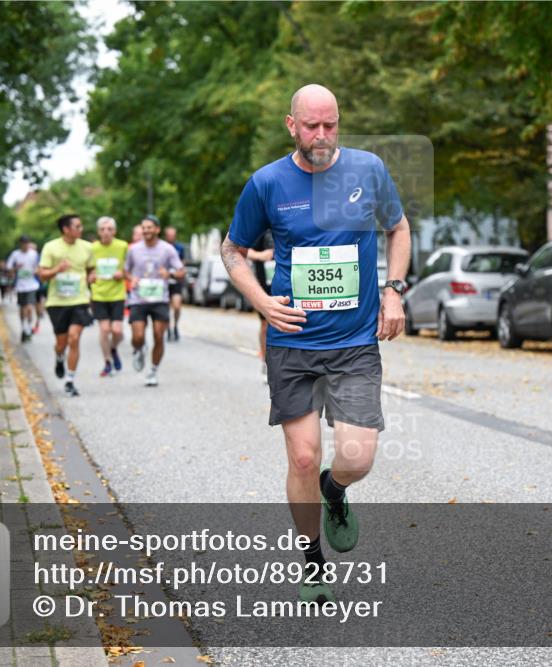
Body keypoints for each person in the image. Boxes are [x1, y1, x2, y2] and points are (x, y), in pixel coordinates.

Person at [220, 84, 411, 604]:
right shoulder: (266, 183)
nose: (322, 136)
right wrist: (260, 301)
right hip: (293, 342)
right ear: (291, 125)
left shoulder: (368, 169)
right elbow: (232, 249)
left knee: (356, 458)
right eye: (312, 126)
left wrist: (393, 292)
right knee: (302, 458)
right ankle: (311, 562)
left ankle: (336, 490)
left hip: (354, 341)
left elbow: (398, 228)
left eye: (331, 125)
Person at [38, 215, 96, 397]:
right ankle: (59, 357)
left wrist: (92, 277)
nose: (81, 229)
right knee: (61, 343)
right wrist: (57, 269)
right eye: (77, 226)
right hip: (57, 302)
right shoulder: (51, 247)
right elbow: (42, 275)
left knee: (74, 338)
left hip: (79, 300)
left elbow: (91, 269)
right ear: (66, 229)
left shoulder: (87, 247)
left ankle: (70, 380)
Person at [126, 216, 186, 387]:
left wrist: (170, 274)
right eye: (144, 228)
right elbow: (126, 271)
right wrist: (132, 279)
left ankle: (152, 371)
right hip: (138, 298)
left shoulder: (167, 250)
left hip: (159, 298)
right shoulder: (134, 249)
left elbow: (181, 271)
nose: (146, 231)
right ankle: (139, 349)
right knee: (137, 336)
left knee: (158, 335)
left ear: (157, 229)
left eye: (150, 227)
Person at [90, 216, 128, 376]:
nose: (106, 232)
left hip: (117, 294)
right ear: (98, 232)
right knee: (105, 329)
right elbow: (87, 269)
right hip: (99, 294)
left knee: (117, 331)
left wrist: (123, 273)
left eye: (110, 229)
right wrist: (89, 277)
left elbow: (131, 267)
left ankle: (113, 348)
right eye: (103, 229)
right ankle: (107, 362)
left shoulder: (122, 246)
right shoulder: (92, 248)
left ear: (115, 231)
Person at [248, 230, 275, 379]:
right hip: (264, 286)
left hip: (287, 285)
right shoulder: (262, 229)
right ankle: (266, 363)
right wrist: (261, 255)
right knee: (265, 324)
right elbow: (244, 251)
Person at [7, 236, 40, 342]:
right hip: (20, 286)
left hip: (32, 285)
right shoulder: (15, 254)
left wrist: (35, 271)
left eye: (27, 243)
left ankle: (28, 327)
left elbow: (39, 266)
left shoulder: (33, 254)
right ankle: (24, 326)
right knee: (22, 308)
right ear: (20, 244)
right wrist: (16, 268)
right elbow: (9, 268)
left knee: (29, 307)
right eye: (23, 243)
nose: (25, 246)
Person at [163, 226, 187, 341]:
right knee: (166, 308)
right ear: (166, 235)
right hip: (164, 281)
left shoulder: (180, 248)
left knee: (176, 306)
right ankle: (168, 329)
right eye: (169, 235)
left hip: (176, 280)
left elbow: (183, 263)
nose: (171, 237)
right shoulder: (161, 247)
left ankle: (175, 326)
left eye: (173, 235)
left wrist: (180, 271)